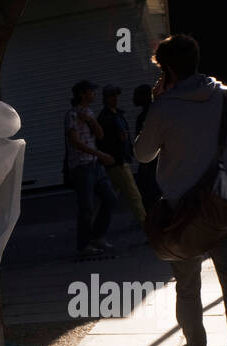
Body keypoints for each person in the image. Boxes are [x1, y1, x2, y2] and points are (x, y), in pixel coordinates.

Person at [135, 34, 227, 346]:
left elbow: (142, 155)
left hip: (182, 216)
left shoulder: (164, 106)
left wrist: (156, 105)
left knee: (188, 285)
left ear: (169, 69)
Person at [65, 79, 119, 257]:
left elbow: (100, 135)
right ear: (82, 94)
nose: (94, 94)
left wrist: (91, 121)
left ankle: (97, 235)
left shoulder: (88, 112)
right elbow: (74, 141)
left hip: (94, 164)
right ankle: (84, 245)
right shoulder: (72, 115)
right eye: (91, 91)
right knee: (86, 206)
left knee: (110, 198)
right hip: (81, 166)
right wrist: (100, 155)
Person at [97, 84, 147, 224]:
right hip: (118, 162)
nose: (115, 98)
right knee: (134, 195)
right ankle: (148, 227)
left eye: (116, 96)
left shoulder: (116, 114)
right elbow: (103, 141)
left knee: (109, 199)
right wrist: (118, 140)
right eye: (112, 96)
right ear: (106, 98)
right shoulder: (106, 117)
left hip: (120, 160)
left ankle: (95, 230)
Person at [133, 84, 162, 207]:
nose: (133, 99)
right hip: (154, 163)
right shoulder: (156, 112)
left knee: (149, 197)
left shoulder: (147, 116)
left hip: (149, 163)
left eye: (136, 95)